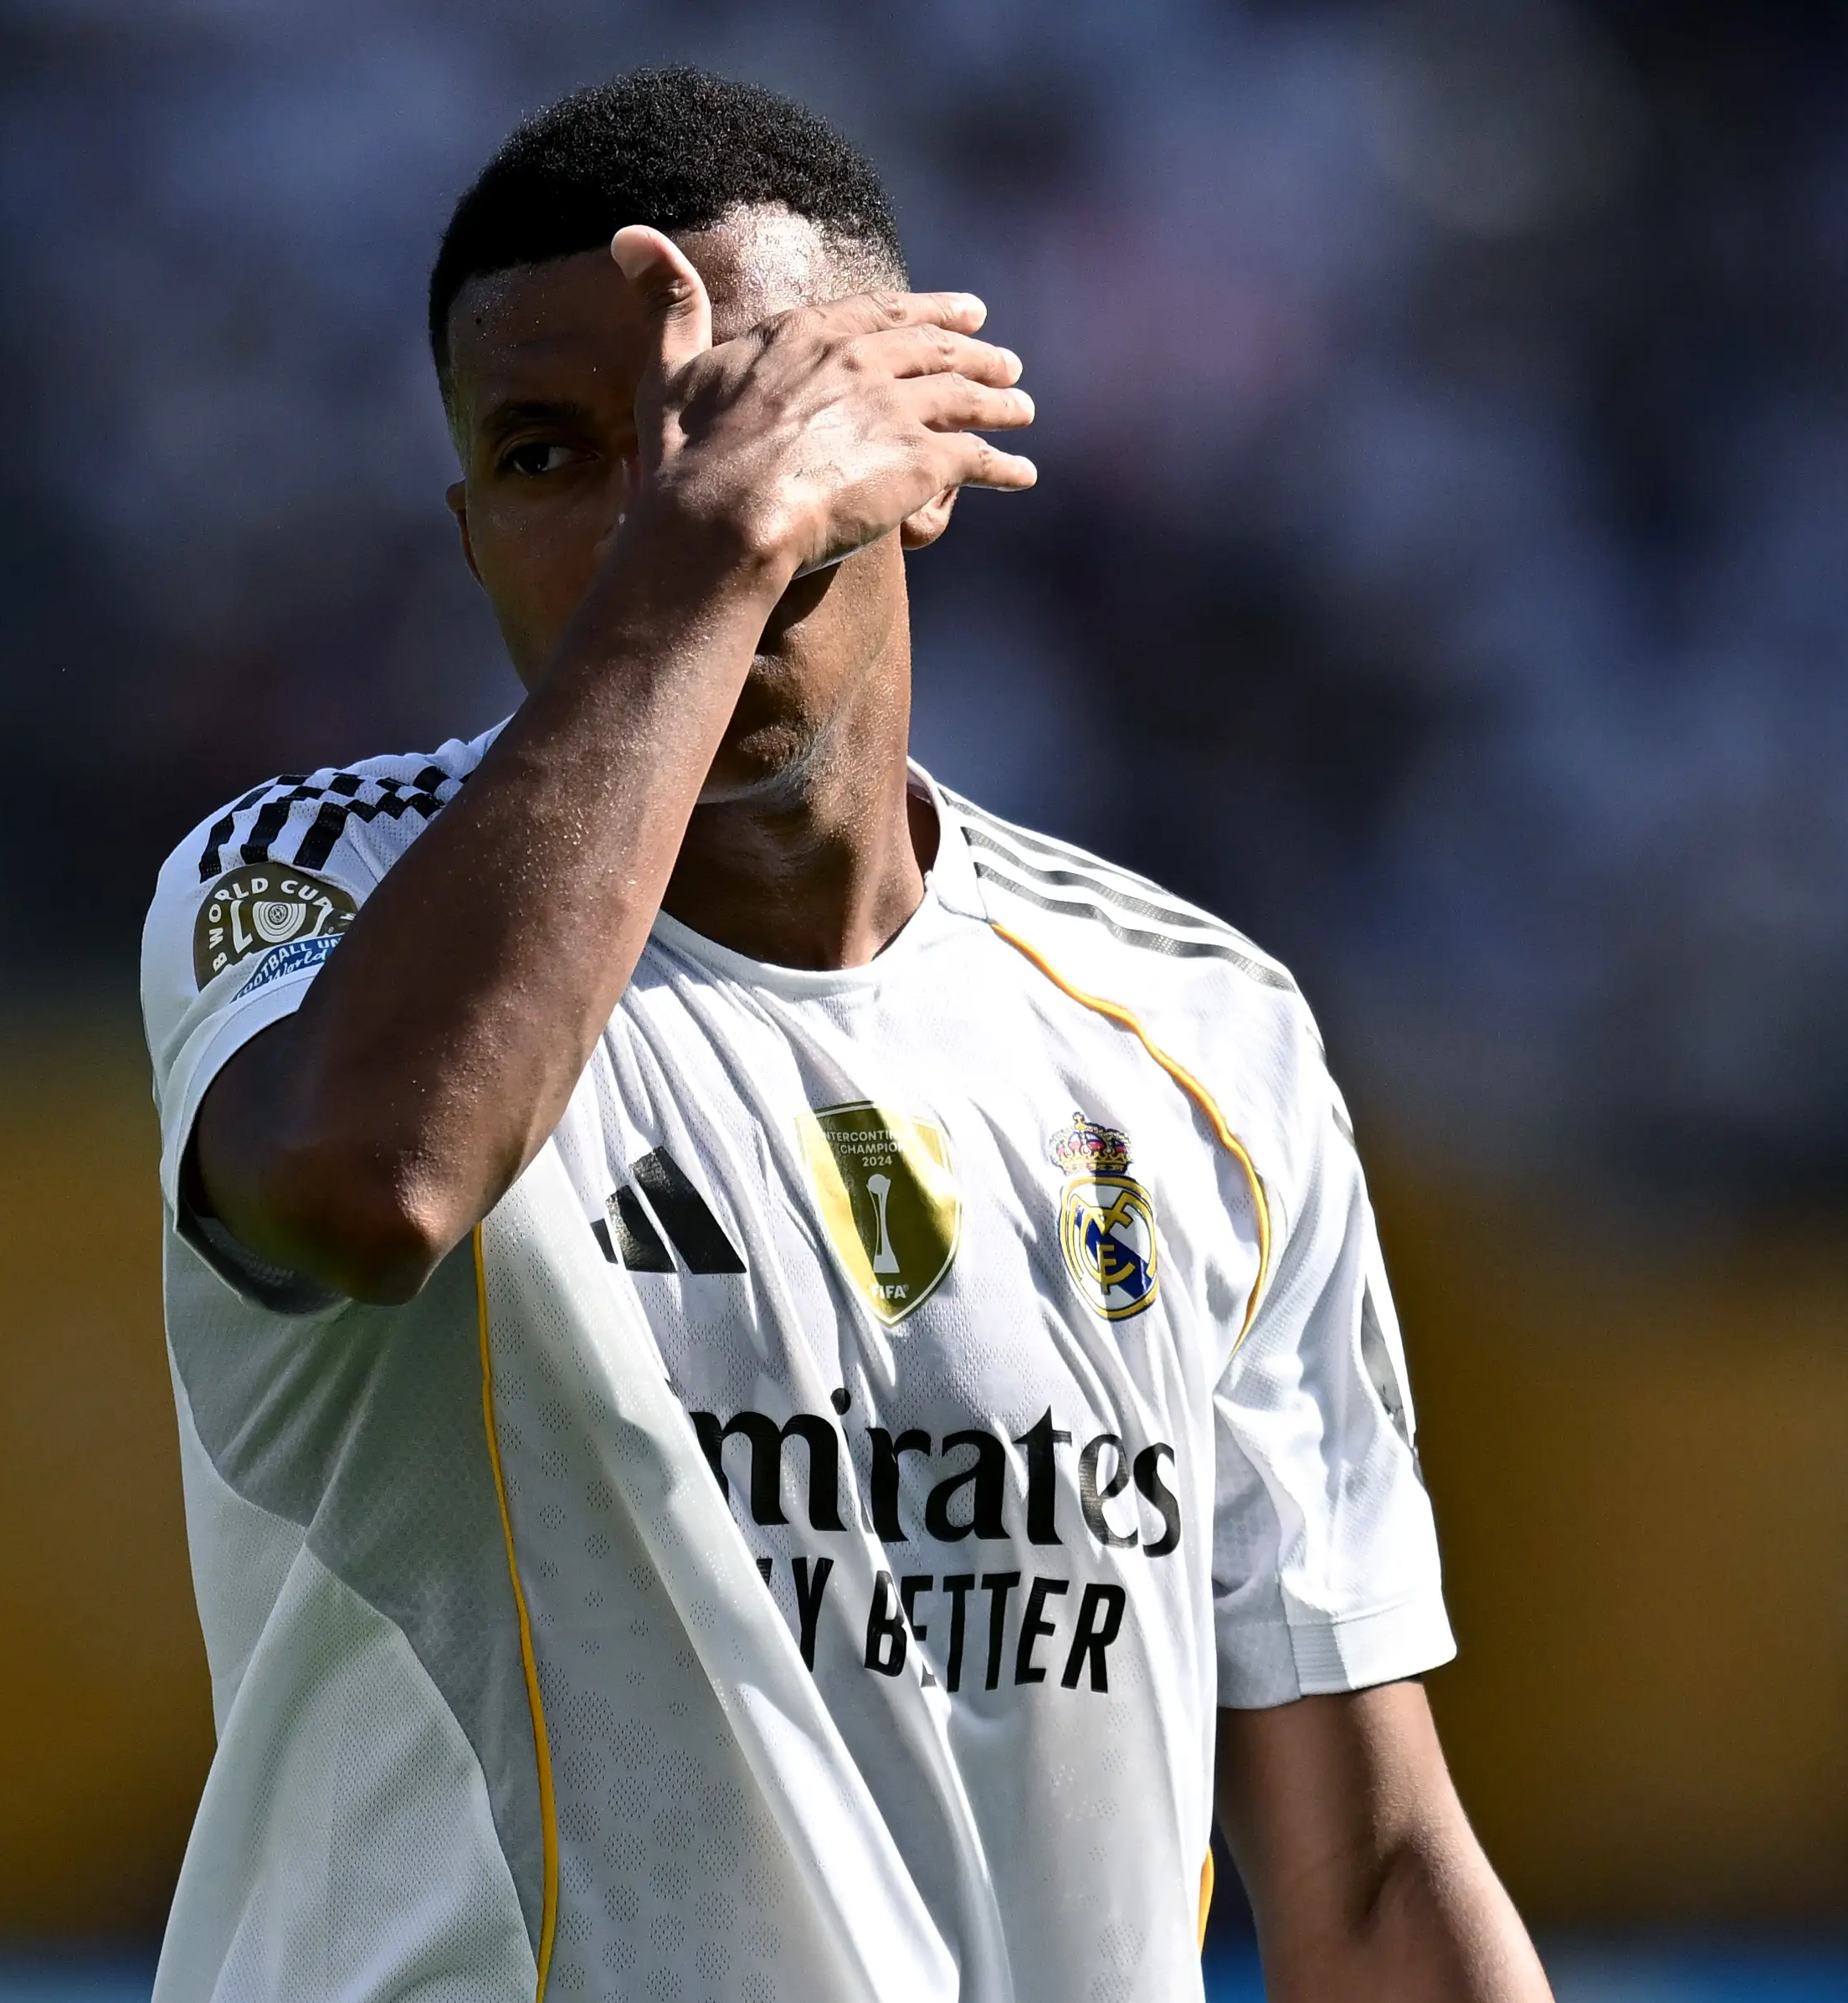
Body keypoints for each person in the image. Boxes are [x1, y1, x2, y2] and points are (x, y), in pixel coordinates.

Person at [137, 66, 1548, 2003]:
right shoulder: (319, 886)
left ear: (930, 453)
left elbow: (1371, 1863)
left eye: (730, 420)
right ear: (468, 531)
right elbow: (369, 1183)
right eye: (552, 457)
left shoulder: (1203, 1032)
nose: (658, 501)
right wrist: (706, 542)